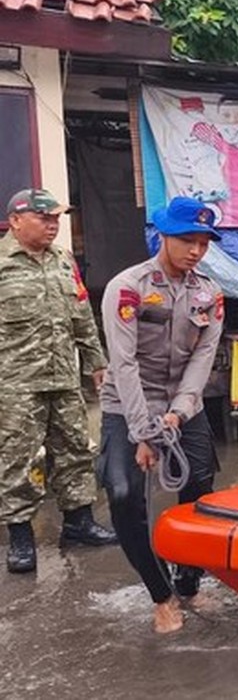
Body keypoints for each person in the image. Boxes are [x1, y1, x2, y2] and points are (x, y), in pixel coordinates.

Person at [97, 196, 224, 632]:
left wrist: (178, 413)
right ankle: (161, 593)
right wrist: (142, 432)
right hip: (128, 403)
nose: (196, 250)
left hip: (181, 407)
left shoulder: (209, 293)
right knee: (123, 494)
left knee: (200, 487)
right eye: (187, 239)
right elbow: (124, 362)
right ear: (163, 236)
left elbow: (202, 360)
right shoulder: (128, 288)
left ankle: (188, 583)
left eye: (204, 243)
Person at [1, 189, 116, 575]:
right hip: (16, 385)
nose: (53, 224)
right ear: (16, 220)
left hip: (64, 379)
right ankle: (19, 535)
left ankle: (79, 522)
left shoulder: (64, 261)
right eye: (44, 217)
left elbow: (82, 315)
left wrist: (96, 363)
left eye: (56, 218)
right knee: (19, 459)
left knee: (75, 449)